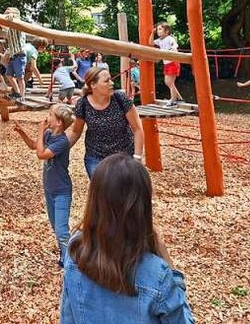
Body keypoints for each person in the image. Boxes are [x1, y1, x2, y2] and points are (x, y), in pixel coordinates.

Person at [60, 154, 194, 324]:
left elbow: (67, 317)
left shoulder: (76, 251)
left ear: (94, 201)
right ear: (143, 207)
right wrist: (173, 273)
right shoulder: (157, 274)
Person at [12, 104, 76, 267]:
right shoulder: (49, 134)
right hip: (49, 189)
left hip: (62, 191)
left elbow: (41, 154)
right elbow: (35, 145)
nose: (47, 117)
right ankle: (65, 253)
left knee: (61, 231)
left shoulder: (62, 141)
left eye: (50, 115)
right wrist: (22, 133)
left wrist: (40, 131)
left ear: (59, 122)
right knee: (56, 226)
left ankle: (69, 262)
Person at [68, 67, 144, 178]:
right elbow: (75, 132)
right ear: (93, 85)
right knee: (102, 194)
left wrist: (137, 158)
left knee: (124, 192)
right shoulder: (83, 104)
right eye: (106, 81)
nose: (112, 83)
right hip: (96, 159)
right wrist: (58, 149)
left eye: (111, 79)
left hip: (124, 157)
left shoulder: (120, 99)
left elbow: (137, 128)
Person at [150, 23, 184, 105]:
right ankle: (179, 98)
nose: (158, 31)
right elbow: (151, 43)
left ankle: (173, 100)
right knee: (169, 82)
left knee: (169, 82)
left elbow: (174, 45)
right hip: (166, 63)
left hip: (172, 62)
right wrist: (152, 33)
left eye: (160, 29)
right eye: (157, 29)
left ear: (167, 31)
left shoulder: (169, 38)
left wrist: (172, 50)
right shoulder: (159, 40)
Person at [3, 8, 27, 99]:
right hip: (13, 56)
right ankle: (17, 92)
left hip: (20, 55)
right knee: (8, 75)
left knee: (20, 77)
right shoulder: (8, 29)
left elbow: (16, 18)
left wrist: (13, 16)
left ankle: (22, 96)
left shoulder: (19, 25)